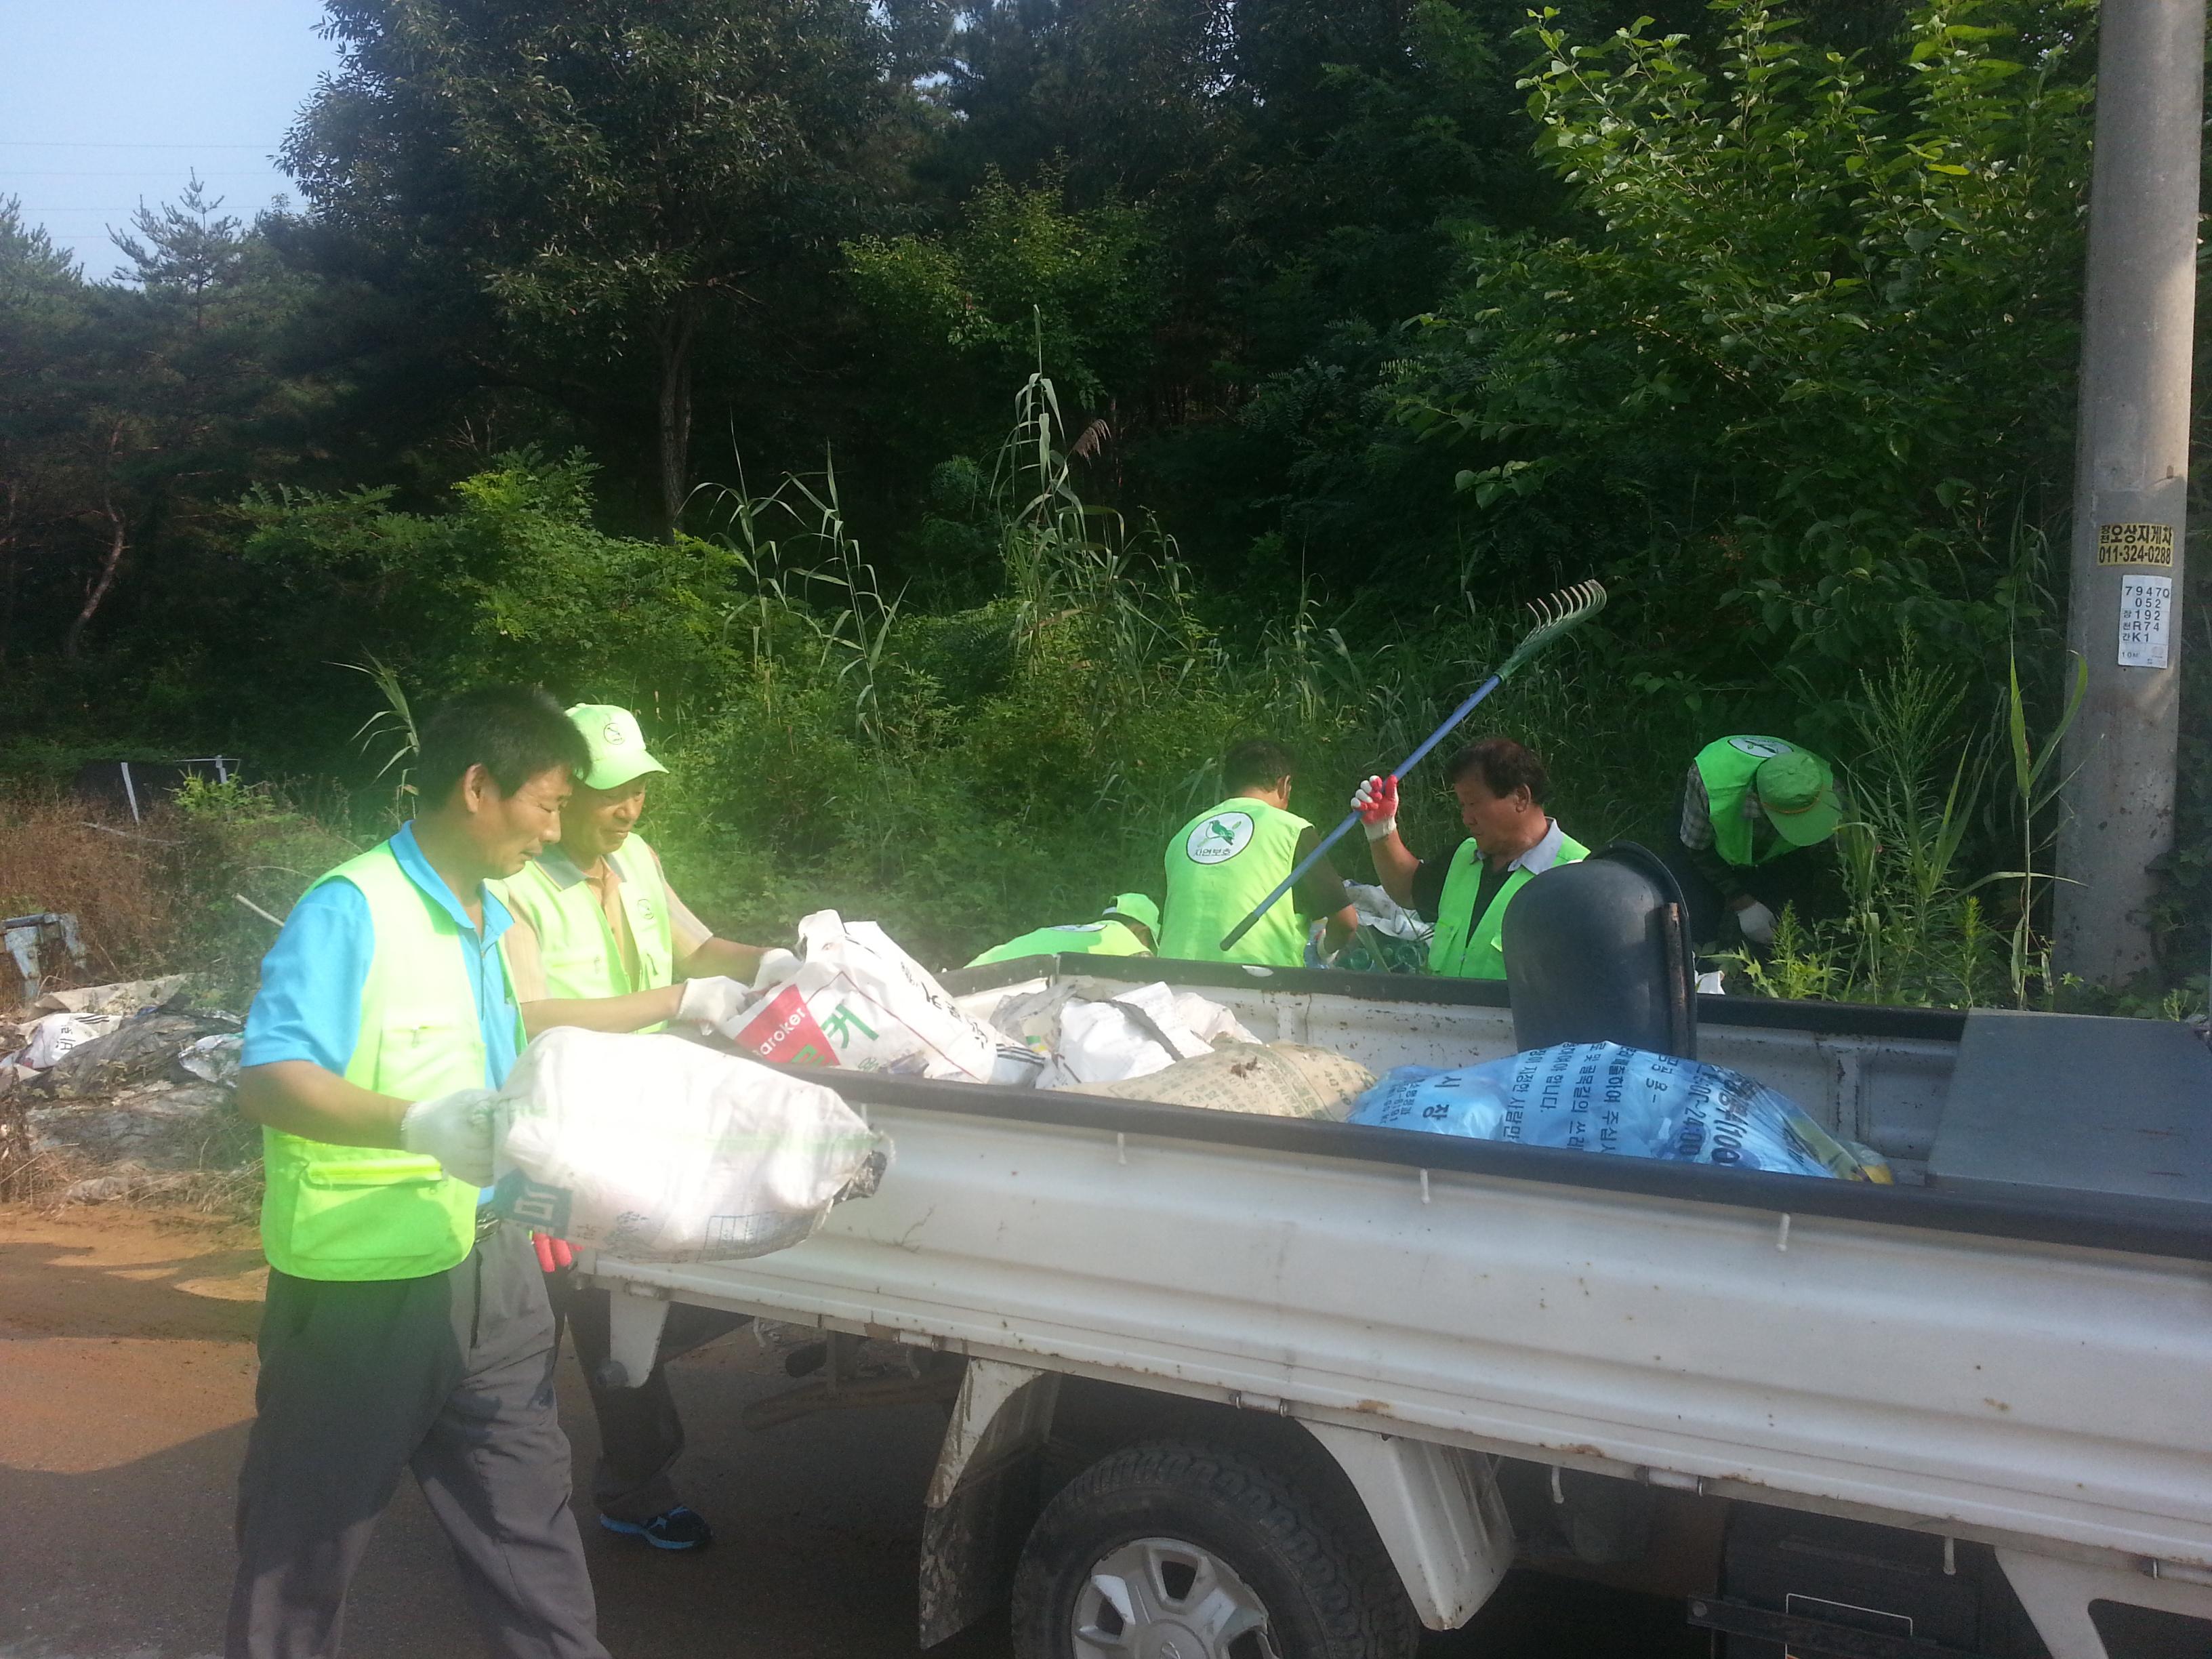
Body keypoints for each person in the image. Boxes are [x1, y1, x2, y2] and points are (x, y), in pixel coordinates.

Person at [227, 686, 607, 1659]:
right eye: (548, 804)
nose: (553, 830)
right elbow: (268, 1079)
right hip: (362, 1291)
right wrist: (413, 1124)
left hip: (497, 1276)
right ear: (478, 787)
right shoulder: (351, 909)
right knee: (302, 1552)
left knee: (531, 1535)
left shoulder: (494, 917)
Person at [494, 701, 790, 1553]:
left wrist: (778, 963)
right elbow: (526, 1015)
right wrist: (677, 1001)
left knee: (626, 1297)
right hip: (556, 1131)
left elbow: (697, 948)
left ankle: (625, 1481)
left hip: (647, 1117)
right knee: (549, 1314)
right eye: (609, 793)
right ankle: (517, 1496)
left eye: (639, 790)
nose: (628, 808)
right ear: (564, 791)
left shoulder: (638, 858)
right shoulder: (514, 885)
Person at [1352, 737, 1589, 980]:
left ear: (1520, 797)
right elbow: (1408, 891)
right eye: (1463, 806)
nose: (1467, 818)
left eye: (1474, 803)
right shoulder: (1465, 856)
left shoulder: (1581, 877)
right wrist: (1381, 830)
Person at [1158, 739, 1358, 967]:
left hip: (1173, 975)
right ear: (1284, 784)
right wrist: (1323, 951)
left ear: (1227, 788)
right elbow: (1346, 923)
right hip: (1258, 978)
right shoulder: (1292, 829)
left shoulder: (1183, 835)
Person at [1663, 735, 1845, 949]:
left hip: (1778, 856)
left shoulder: (1827, 787)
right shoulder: (1708, 785)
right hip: (1708, 841)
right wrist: (1742, 902)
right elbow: (1697, 849)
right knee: (1695, 920)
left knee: (1787, 925)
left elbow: (1844, 838)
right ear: (1758, 804)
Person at [966, 893, 1160, 967]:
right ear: (1140, 931)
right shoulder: (1121, 936)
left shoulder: (1076, 933)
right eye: (1150, 943)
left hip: (968, 977)